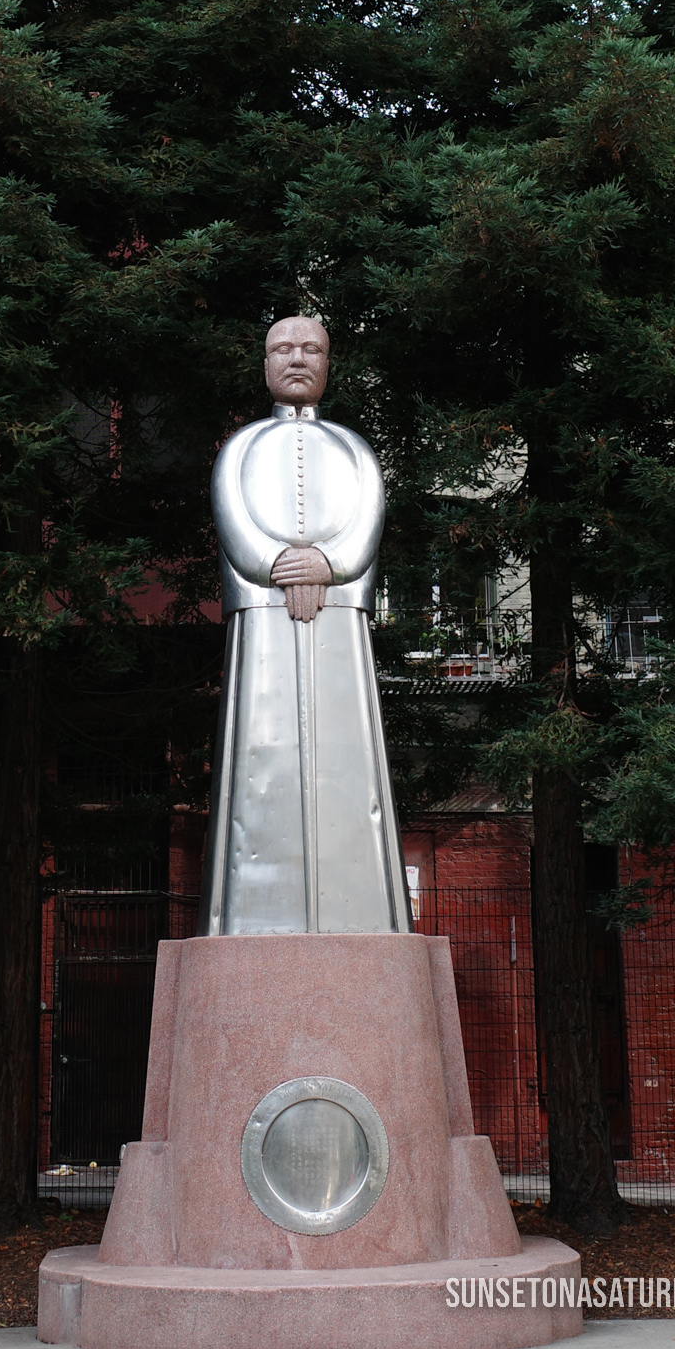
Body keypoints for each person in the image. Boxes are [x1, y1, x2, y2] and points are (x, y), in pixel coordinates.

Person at [198, 316, 413, 935]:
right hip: (263, 618)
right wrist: (276, 565)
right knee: (255, 761)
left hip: (340, 622)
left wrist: (328, 564)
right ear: (265, 363)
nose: (297, 359)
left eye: (311, 348)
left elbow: (367, 520)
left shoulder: (354, 449)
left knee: (350, 759)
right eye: (283, 349)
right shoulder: (239, 447)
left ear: (327, 363)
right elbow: (233, 517)